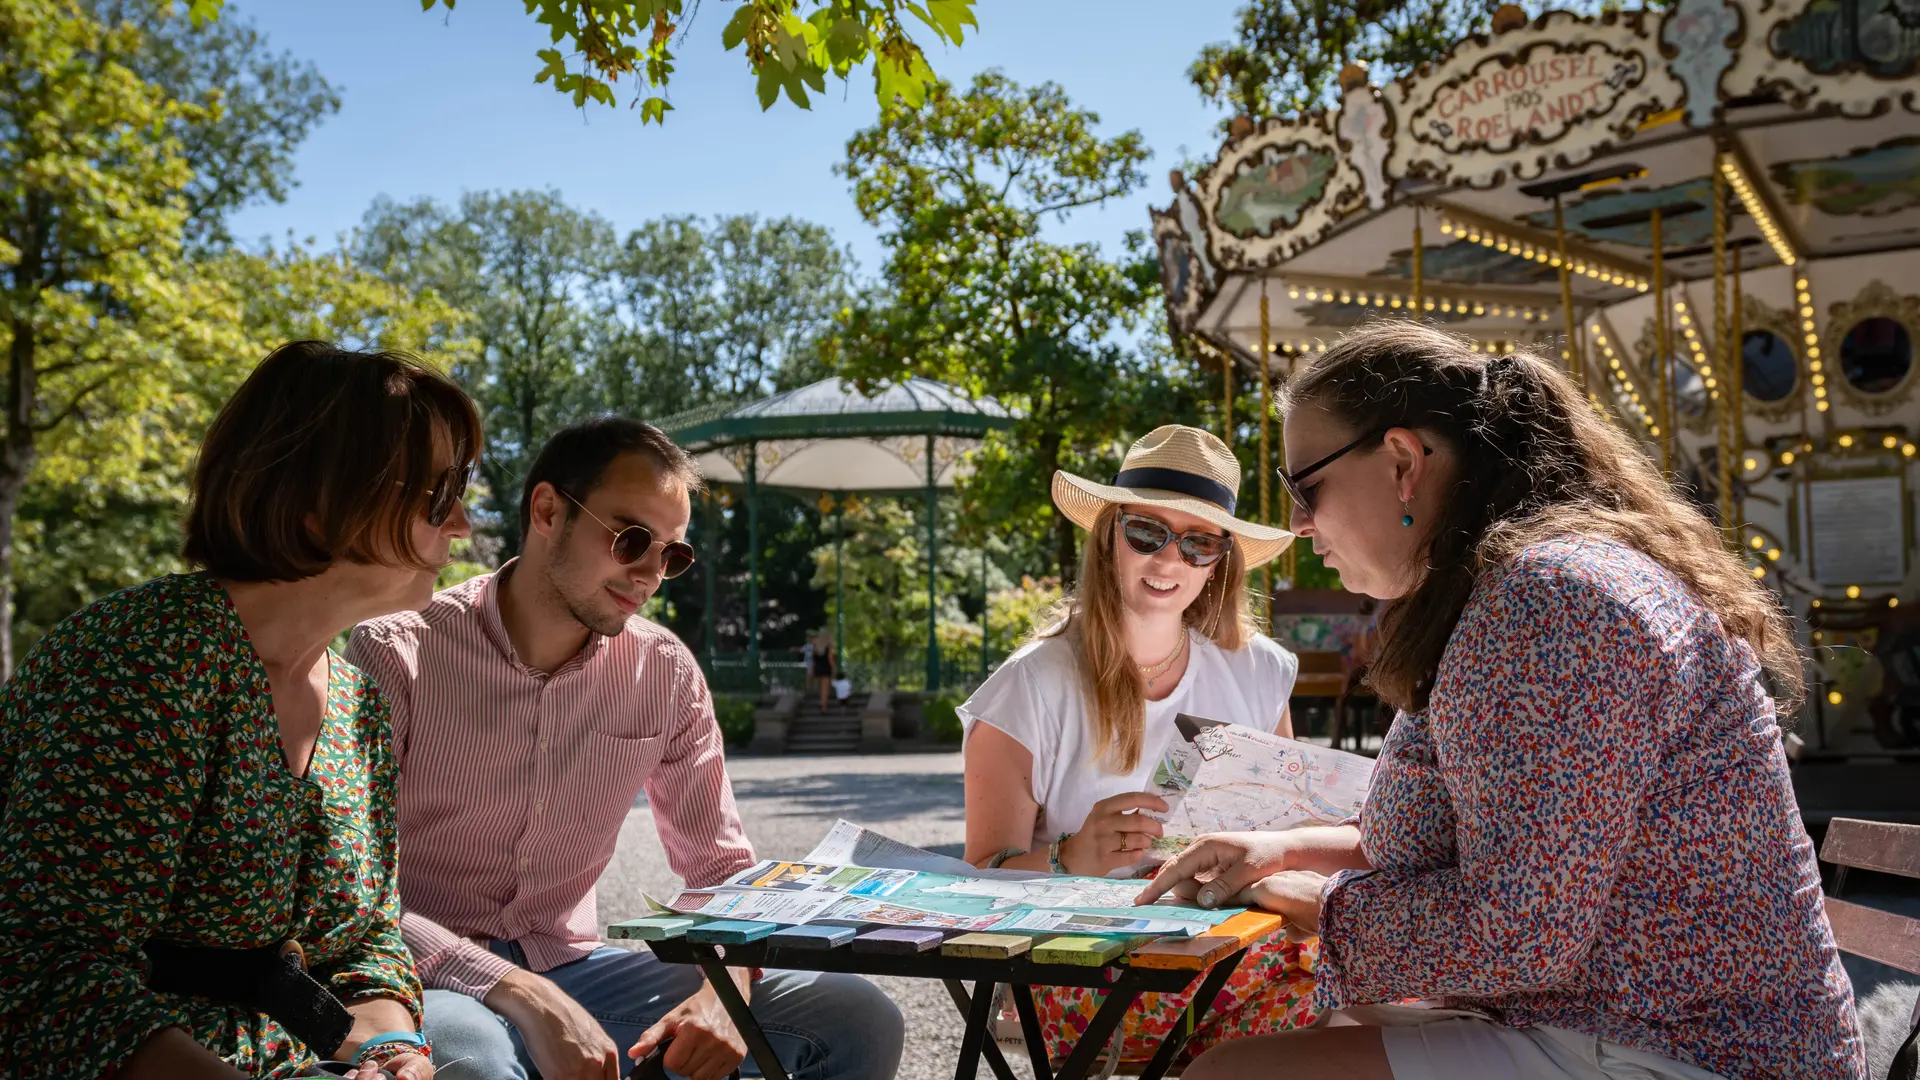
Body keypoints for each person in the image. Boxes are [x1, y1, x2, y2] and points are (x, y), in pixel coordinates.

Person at [1142, 322, 1865, 1080]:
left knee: (1231, 1076)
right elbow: (1461, 845)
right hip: (1617, 1022)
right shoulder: (1500, 595)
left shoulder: (1549, 599)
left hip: (1697, 1052)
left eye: (1304, 486)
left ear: (1401, 462)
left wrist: (1322, 905)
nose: (1296, 523)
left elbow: (1525, 930)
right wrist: (1281, 850)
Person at [345, 417, 903, 1080]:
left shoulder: (663, 670)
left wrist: (726, 993)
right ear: (548, 510)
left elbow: (721, 870)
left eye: (673, 554)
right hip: (424, 976)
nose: (649, 573)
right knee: (475, 1061)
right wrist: (520, 991)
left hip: (576, 968)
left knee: (858, 1016)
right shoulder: (395, 652)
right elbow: (356, 888)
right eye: (632, 538)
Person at [0, 341, 482, 1080]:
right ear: (321, 504)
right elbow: (42, 975)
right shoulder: (146, 659)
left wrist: (390, 1048)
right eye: (440, 492)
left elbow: (366, 941)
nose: (464, 524)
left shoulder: (358, 707)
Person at [960, 424, 1321, 1066]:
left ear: (1219, 564)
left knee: (1376, 986)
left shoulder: (1259, 671)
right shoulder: (1027, 686)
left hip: (1233, 941)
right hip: (1087, 967)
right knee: (1336, 999)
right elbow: (973, 884)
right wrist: (1071, 859)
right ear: (1109, 541)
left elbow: (1288, 832)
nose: (1168, 560)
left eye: (1198, 543)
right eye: (1147, 533)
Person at [809, 629, 837, 711]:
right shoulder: (829, 646)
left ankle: (821, 701)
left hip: (818, 667)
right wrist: (834, 667)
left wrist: (812, 669)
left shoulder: (815, 646)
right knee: (825, 687)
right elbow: (830, 658)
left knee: (820, 686)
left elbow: (813, 659)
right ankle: (824, 705)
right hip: (826, 667)